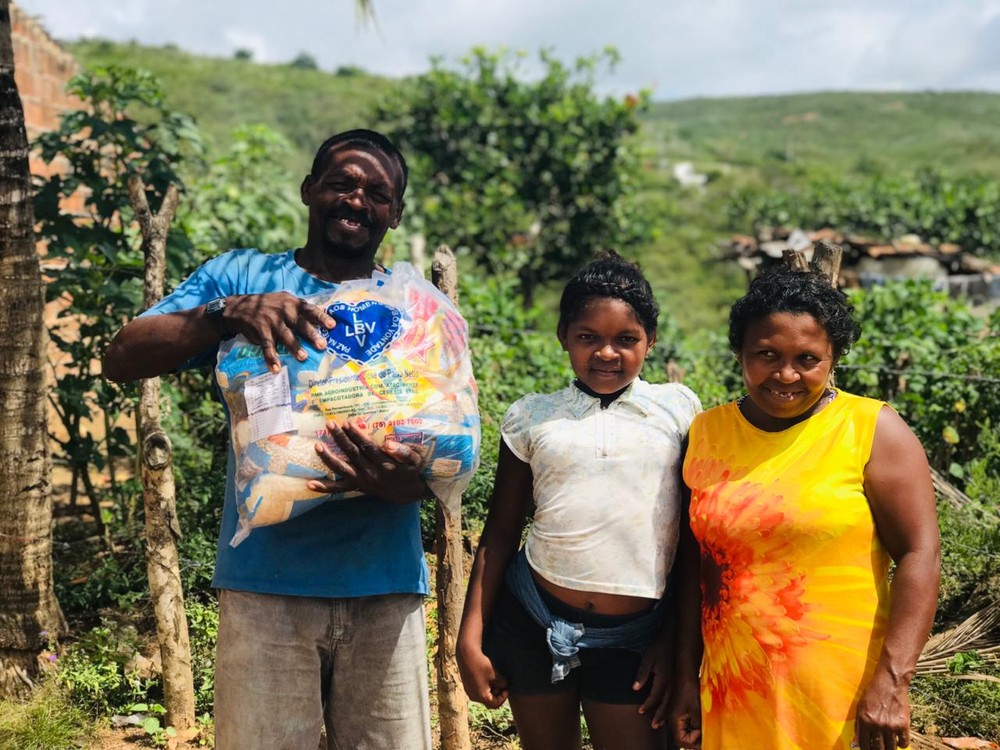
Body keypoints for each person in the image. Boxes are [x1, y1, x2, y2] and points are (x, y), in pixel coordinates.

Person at [103, 129, 439, 750]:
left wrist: (408, 483)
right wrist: (225, 312)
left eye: (377, 192)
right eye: (342, 183)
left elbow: (443, 444)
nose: (356, 200)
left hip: (387, 589)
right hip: (265, 589)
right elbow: (121, 357)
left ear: (396, 212)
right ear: (310, 190)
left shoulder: (416, 307)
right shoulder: (244, 276)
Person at [670, 265, 941, 750]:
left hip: (841, 698)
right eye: (767, 355)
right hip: (733, 690)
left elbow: (921, 554)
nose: (786, 375)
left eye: (807, 359)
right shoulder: (707, 434)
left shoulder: (872, 430)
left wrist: (894, 680)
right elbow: (696, 565)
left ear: (834, 357)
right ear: (739, 354)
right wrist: (686, 674)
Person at [457, 251, 701, 750]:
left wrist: (673, 644)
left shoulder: (677, 412)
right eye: (588, 337)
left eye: (626, 340)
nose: (606, 353)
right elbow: (499, 537)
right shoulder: (533, 417)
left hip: (637, 636)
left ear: (650, 342)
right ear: (563, 337)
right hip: (532, 619)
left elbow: (693, 541)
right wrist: (469, 637)